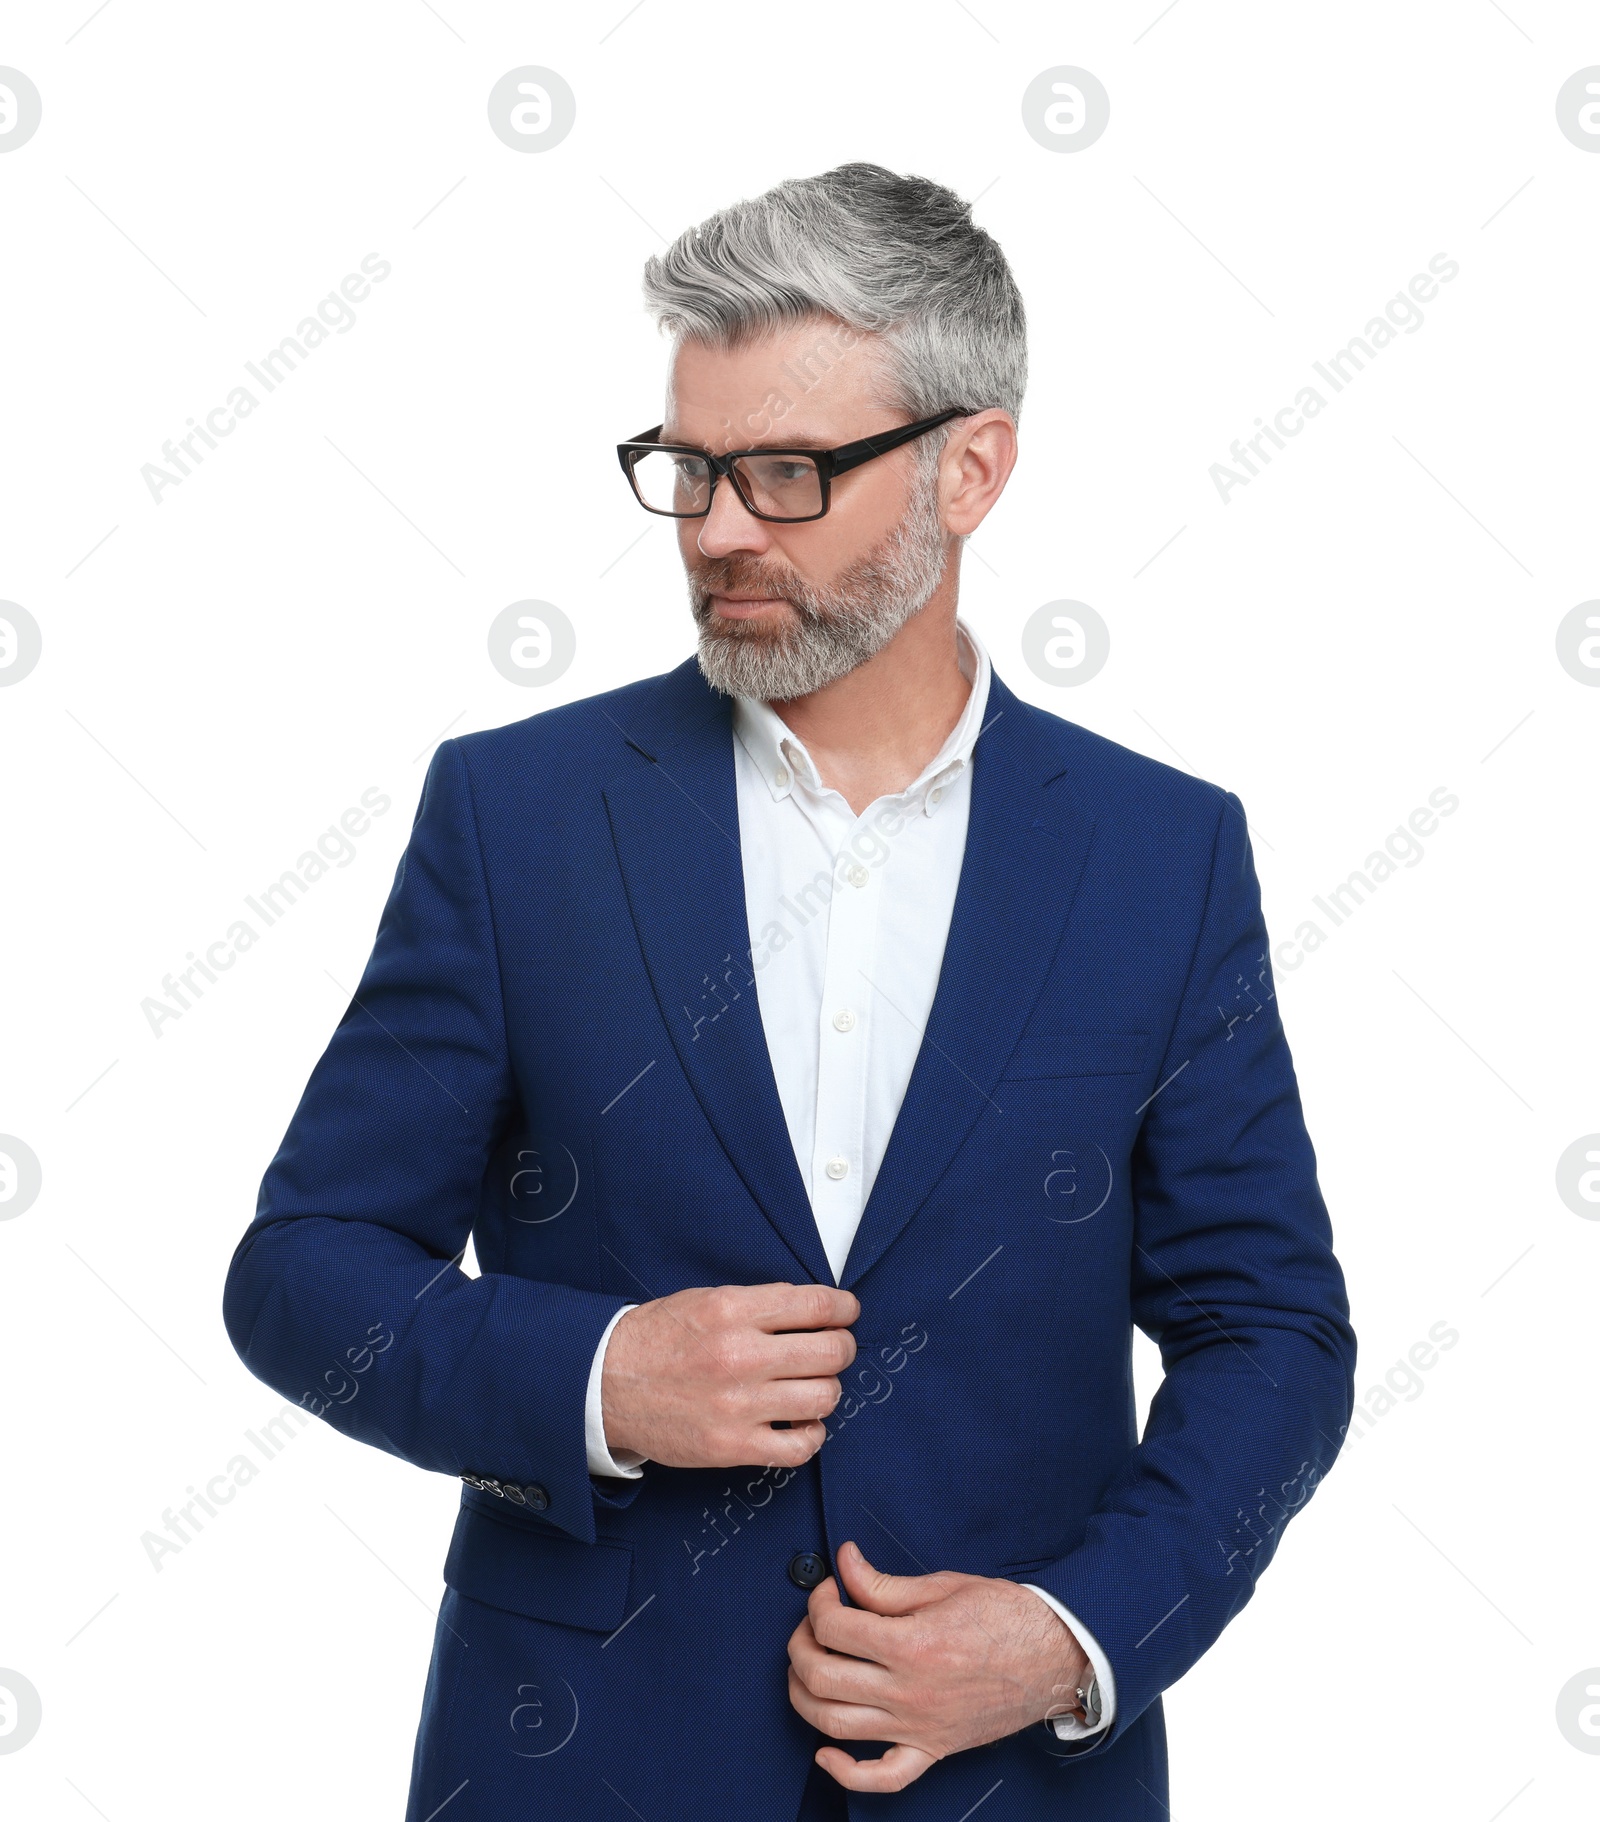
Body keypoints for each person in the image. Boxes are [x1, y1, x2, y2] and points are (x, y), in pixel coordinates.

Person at [223, 162, 1356, 1820]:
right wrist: (597, 1374)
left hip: (1009, 1779)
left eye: (788, 472)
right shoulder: (520, 812)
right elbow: (303, 1272)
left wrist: (1072, 1632)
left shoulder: (1159, 852)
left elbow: (1270, 1332)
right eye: (687, 470)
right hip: (578, 1762)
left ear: (971, 468)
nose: (720, 529)